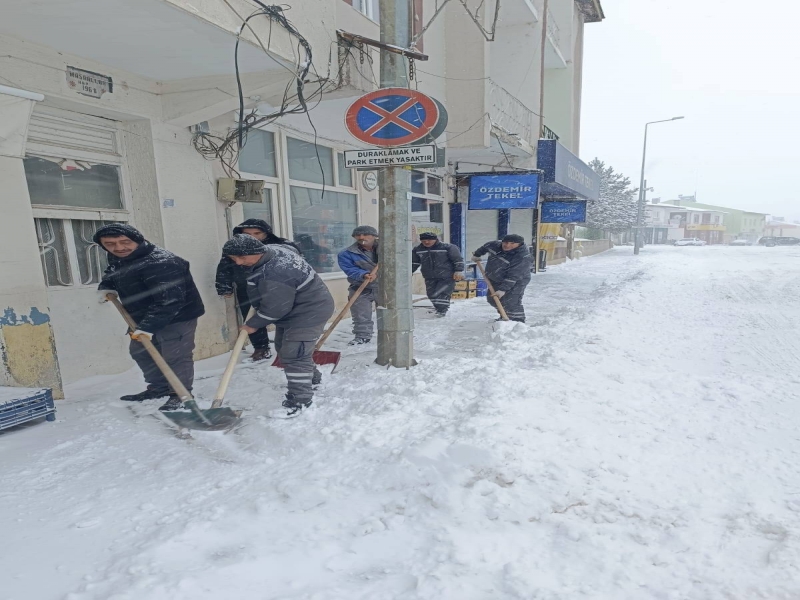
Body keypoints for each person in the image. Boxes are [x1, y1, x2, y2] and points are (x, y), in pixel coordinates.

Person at [95, 223, 205, 411]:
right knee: (141, 351)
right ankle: (159, 387)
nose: (118, 248)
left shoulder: (162, 263)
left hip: (177, 315)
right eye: (110, 244)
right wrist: (107, 286)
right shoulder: (120, 256)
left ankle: (180, 394)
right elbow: (113, 272)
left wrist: (147, 327)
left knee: (175, 355)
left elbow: (170, 301)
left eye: (125, 242)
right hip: (143, 314)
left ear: (137, 240)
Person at [223, 234, 335, 416]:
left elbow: (276, 308)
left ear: (257, 251)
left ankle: (300, 399)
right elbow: (292, 250)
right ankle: (311, 377)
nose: (238, 262)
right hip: (294, 309)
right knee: (285, 349)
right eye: (233, 258)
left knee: (294, 354)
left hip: (308, 312)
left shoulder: (276, 272)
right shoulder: (274, 250)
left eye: (241, 257)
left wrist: (253, 324)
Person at [215, 218, 298, 361]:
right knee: (252, 319)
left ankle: (292, 344)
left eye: (257, 233)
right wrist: (224, 286)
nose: (253, 237)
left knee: (285, 315)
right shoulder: (236, 246)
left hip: (277, 288)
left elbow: (298, 265)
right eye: (248, 234)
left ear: (266, 233)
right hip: (246, 287)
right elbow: (224, 267)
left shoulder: (280, 246)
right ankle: (261, 347)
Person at [472, 233, 532, 323]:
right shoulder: (494, 245)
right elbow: (485, 247)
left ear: (519, 244)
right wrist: (477, 254)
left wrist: (503, 289)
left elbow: (514, 275)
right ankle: (504, 316)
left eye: (512, 243)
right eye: (505, 242)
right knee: (493, 299)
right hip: (495, 278)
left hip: (517, 280)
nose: (507, 245)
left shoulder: (522, 257)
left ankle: (517, 322)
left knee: (511, 301)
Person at [337, 225, 379, 345]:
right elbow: (349, 269)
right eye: (358, 235)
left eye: (365, 234)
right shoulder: (346, 253)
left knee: (388, 313)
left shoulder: (387, 249)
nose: (361, 237)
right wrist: (363, 274)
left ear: (374, 236)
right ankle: (362, 336)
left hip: (385, 287)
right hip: (361, 287)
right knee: (360, 314)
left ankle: (391, 334)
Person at [412, 232, 465, 317]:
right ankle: (439, 309)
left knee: (442, 293)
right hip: (429, 276)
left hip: (447, 276)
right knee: (431, 294)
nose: (426, 242)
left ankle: (442, 311)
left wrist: (458, 270)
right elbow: (414, 263)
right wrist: (409, 272)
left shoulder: (448, 247)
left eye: (429, 240)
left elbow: (457, 259)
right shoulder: (418, 249)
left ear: (435, 239)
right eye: (424, 241)